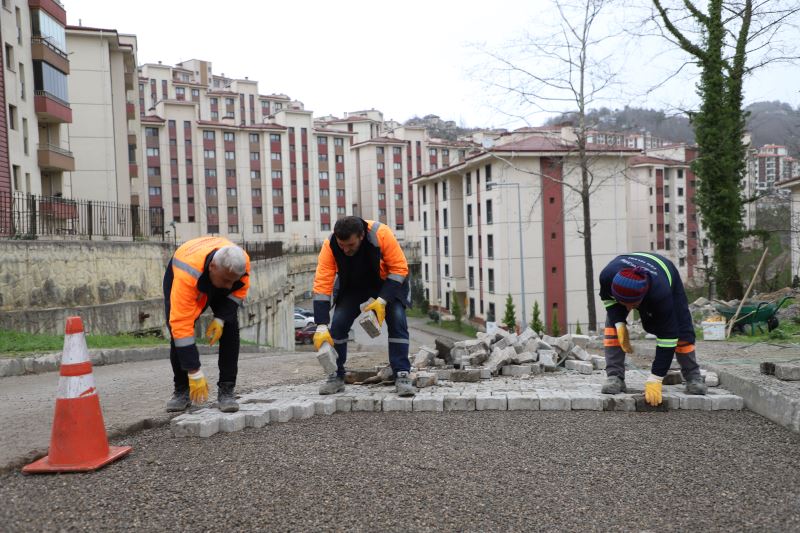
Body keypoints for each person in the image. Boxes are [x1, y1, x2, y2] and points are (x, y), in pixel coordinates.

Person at [312, 216, 415, 396]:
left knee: (397, 320)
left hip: (387, 283)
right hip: (354, 286)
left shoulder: (381, 234)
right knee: (338, 325)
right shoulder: (330, 245)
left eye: (350, 245)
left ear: (361, 236)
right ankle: (336, 377)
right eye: (342, 245)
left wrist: (382, 301)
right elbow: (322, 283)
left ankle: (402, 374)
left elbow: (399, 268)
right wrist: (321, 324)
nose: (345, 249)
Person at [599, 252, 707, 406]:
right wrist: (619, 323)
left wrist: (656, 378)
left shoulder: (660, 293)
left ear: (643, 298)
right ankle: (614, 376)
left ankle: (693, 376)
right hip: (627, 274)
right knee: (612, 328)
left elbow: (668, 337)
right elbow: (608, 300)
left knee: (682, 328)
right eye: (623, 303)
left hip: (665, 271)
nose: (628, 309)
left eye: (633, 305)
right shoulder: (607, 277)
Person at [163, 236, 250, 413]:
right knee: (178, 335)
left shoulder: (241, 264)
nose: (229, 286)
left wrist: (221, 318)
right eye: (226, 280)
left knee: (230, 328)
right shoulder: (186, 276)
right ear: (212, 267)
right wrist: (194, 370)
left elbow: (238, 290)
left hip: (213, 273)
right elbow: (181, 325)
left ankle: (227, 390)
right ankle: (182, 390)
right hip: (186, 274)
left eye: (233, 281)